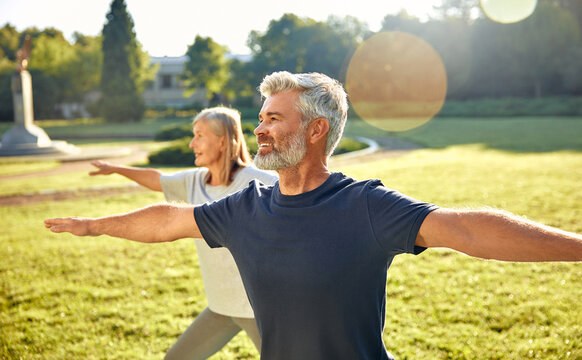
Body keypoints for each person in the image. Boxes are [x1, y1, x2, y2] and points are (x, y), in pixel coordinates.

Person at [45, 72, 582, 360]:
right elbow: (169, 220)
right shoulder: (244, 208)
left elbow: (465, 229)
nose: (259, 130)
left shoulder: (365, 206)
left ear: (316, 130)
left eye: (274, 119)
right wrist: (94, 226)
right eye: (259, 118)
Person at [86, 106, 277, 359]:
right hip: (220, 307)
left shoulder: (259, 182)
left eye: (199, 135)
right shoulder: (194, 181)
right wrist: (117, 169)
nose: (191, 143)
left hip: (257, 310)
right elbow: (158, 179)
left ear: (222, 141)